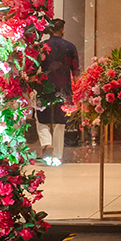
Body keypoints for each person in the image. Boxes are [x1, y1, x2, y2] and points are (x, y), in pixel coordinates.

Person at [37, 18, 79, 164]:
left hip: (45, 85)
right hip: (64, 87)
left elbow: (35, 66)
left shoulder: (42, 46)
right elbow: (76, 70)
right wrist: (78, 89)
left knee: (42, 117)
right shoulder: (70, 47)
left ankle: (46, 143)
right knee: (60, 122)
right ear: (62, 30)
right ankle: (57, 155)